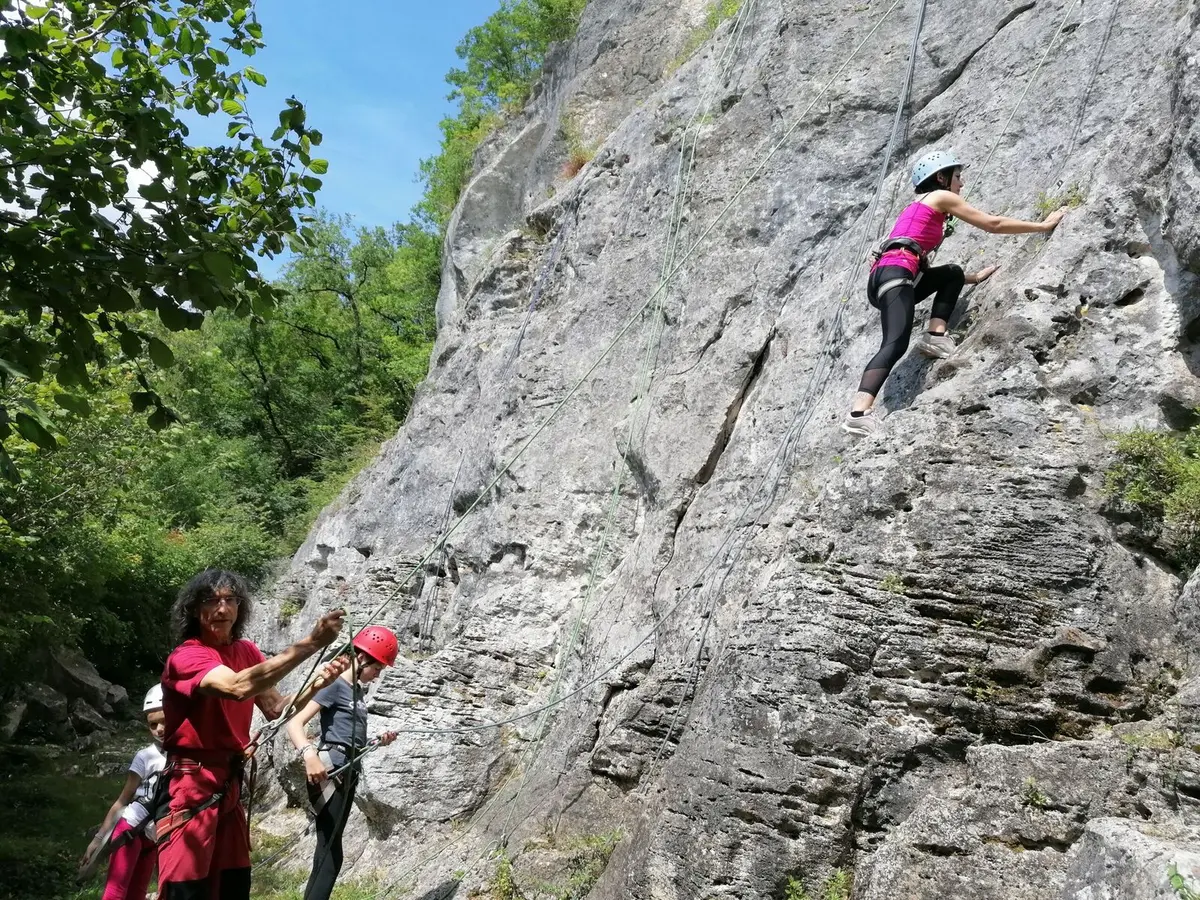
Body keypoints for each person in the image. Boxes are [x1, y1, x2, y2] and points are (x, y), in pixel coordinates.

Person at [844, 150, 1068, 437]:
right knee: (895, 344)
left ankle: (936, 337)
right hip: (897, 273)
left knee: (952, 271)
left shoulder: (916, 208)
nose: (961, 184)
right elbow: (992, 224)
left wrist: (970, 278)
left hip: (886, 277)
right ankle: (858, 413)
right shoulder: (940, 197)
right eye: (958, 177)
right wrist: (1043, 226)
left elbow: (922, 263)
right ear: (941, 178)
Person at [156, 569, 349, 900]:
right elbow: (237, 687)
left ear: (239, 607)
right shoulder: (186, 656)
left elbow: (277, 708)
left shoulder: (245, 651)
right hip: (191, 785)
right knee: (185, 890)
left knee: (233, 885)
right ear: (193, 609)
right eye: (211, 600)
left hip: (228, 785)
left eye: (230, 599)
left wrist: (317, 684)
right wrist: (312, 643)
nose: (222, 609)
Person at [286, 625, 400, 900]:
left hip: (348, 771)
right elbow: (295, 723)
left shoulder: (357, 693)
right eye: (377, 668)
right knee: (331, 853)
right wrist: (309, 754)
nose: (378, 675)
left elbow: (348, 737)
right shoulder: (335, 686)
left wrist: (377, 741)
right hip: (330, 772)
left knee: (328, 849)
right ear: (362, 659)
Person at [79, 685, 167, 900]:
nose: (159, 729)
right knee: (116, 893)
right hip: (131, 829)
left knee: (138, 893)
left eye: (164, 720)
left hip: (153, 836)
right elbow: (122, 802)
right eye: (153, 724)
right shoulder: (145, 757)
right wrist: (97, 840)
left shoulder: (185, 754)